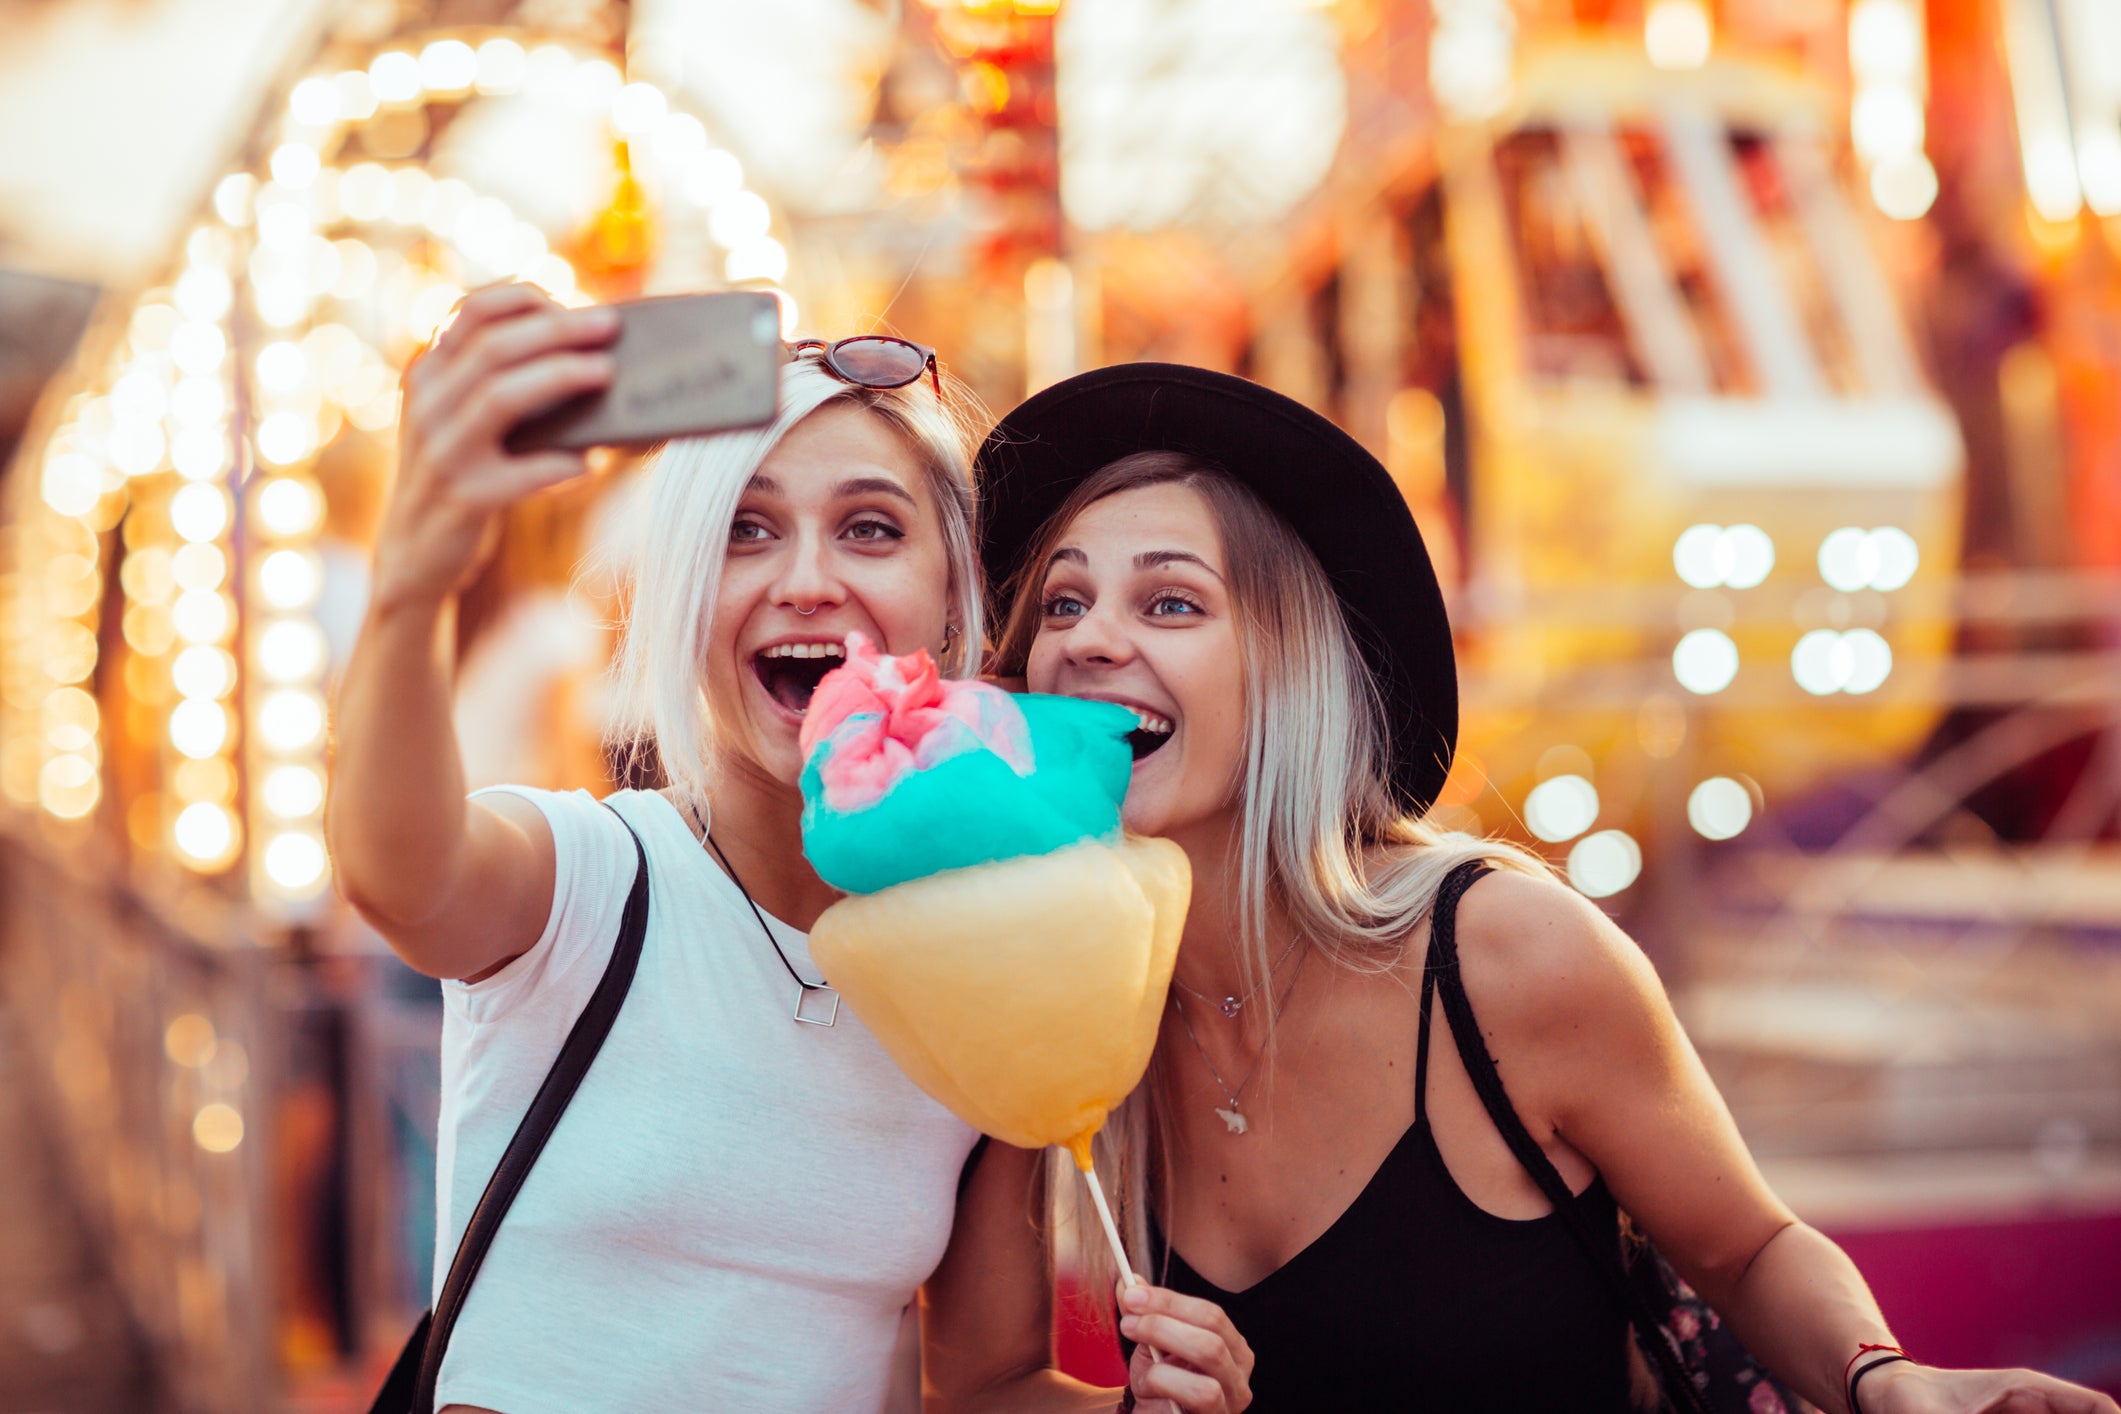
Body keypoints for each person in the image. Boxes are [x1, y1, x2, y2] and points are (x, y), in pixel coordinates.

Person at [933, 362, 2119, 1414]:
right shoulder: (1059, 993)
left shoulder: (1505, 953)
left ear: (1295, 671)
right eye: (1064, 604)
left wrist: (1887, 1380)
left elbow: (1748, 1249)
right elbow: (981, 1382)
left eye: (1173, 601)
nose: (1086, 639)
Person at [328, 286, 1226, 1412]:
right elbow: (398, 871)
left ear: (952, 600)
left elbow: (988, 1382)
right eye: (747, 530)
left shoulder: (989, 962)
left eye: (870, 527)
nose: (805, 578)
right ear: (686, 595)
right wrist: (414, 584)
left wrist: (1140, 1407)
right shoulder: (595, 877)